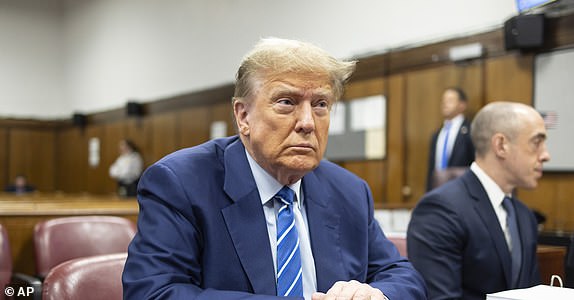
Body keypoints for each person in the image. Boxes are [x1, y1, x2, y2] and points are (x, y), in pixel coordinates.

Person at [122, 37, 426, 300]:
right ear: (243, 117)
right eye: (286, 102)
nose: (308, 122)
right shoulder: (181, 183)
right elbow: (153, 292)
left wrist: (375, 293)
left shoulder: (348, 190)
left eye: (320, 104)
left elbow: (402, 275)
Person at [407, 101, 550, 300]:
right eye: (536, 142)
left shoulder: (524, 215)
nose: (545, 155)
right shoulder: (439, 210)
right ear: (501, 145)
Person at [426, 87, 475, 191]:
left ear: (462, 105)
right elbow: (431, 170)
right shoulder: (437, 134)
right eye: (443, 101)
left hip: (462, 191)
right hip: (437, 190)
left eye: (450, 100)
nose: (445, 104)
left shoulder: (471, 131)